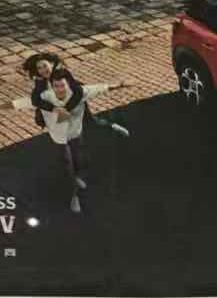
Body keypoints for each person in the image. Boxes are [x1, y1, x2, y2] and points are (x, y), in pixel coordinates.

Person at [13, 68, 134, 215]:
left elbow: (101, 88)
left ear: (69, 84)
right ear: (52, 86)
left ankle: (76, 177)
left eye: (62, 85)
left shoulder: (79, 93)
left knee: (78, 160)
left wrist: (121, 84)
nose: (60, 89)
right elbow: (21, 103)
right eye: (56, 86)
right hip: (59, 139)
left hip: (75, 134)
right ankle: (74, 196)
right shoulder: (46, 97)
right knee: (67, 164)